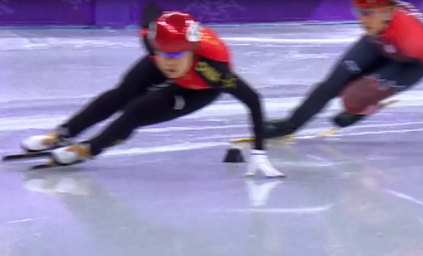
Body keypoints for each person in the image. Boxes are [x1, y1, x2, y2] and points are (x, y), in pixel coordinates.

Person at [18, 10, 281, 176]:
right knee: (121, 94)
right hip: (168, 63)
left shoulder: (213, 70)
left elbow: (254, 100)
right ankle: (62, 134)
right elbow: (150, 11)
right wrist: (164, 54)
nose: (169, 61)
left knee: (136, 111)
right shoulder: (156, 46)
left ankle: (87, 150)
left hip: (197, 89)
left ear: (191, 51)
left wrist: (259, 153)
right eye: (163, 52)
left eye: (177, 54)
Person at [262, 0, 423, 153]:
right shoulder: (377, 22)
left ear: (388, 12)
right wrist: (292, 124)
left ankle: (363, 109)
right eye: (358, 12)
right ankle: (290, 125)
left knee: (352, 98)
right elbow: (331, 85)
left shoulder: (416, 44)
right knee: (334, 83)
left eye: (367, 14)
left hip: (411, 63)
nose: (362, 21)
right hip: (382, 40)